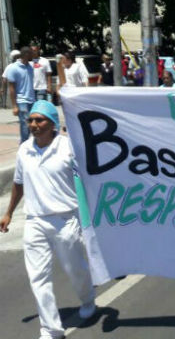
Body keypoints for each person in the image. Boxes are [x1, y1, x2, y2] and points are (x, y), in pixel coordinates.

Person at [0, 101, 97, 339]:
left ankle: (88, 300)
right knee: (38, 278)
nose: (33, 125)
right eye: (30, 120)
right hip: (34, 221)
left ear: (53, 123)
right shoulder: (24, 149)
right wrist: (9, 212)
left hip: (66, 220)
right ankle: (50, 328)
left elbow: (88, 181)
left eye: (39, 120)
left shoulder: (69, 148)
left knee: (75, 270)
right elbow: (19, 184)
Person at [5, 46, 35, 143]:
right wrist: (14, 106)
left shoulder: (30, 67)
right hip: (22, 101)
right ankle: (24, 143)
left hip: (32, 100)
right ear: (26, 54)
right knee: (25, 124)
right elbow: (11, 88)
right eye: (31, 53)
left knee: (32, 123)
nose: (33, 55)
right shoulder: (13, 68)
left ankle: (28, 142)